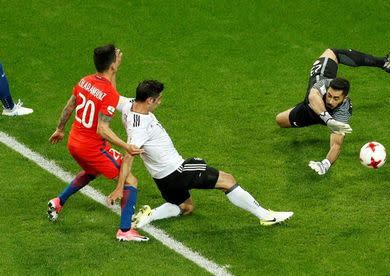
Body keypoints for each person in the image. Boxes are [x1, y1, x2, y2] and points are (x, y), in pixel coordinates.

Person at [109, 80, 293, 228]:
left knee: (186, 207)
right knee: (227, 180)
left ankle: (150, 214)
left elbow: (113, 96)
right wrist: (120, 187)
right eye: (158, 99)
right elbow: (128, 157)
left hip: (161, 178)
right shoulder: (140, 126)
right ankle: (266, 216)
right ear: (149, 100)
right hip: (177, 170)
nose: (160, 102)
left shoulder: (128, 105)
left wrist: (112, 71)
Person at [47, 44, 148, 242]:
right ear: (112, 65)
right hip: (92, 148)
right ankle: (125, 231)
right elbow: (102, 129)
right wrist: (125, 146)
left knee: (92, 172)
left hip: (74, 142)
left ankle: (58, 201)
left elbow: (70, 106)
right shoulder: (107, 93)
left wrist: (60, 129)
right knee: (130, 180)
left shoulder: (85, 81)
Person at [275, 47, 390, 175]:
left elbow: (336, 144)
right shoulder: (323, 84)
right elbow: (313, 96)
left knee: (335, 138)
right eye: (329, 95)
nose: (330, 101)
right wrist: (328, 119)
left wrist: (325, 164)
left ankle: (386, 63)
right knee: (279, 120)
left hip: (328, 118)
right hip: (308, 110)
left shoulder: (344, 110)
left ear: (344, 99)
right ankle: (384, 62)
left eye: (336, 98)